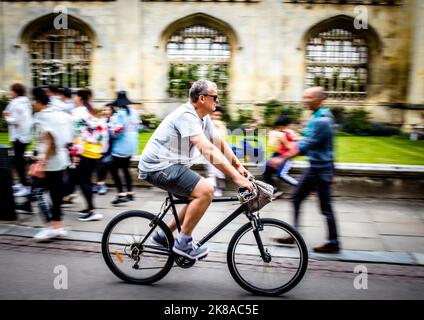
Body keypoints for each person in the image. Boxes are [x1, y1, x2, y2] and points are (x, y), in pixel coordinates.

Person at [138, 79, 253, 260]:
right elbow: (206, 149)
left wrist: (238, 166)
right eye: (215, 97)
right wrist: (235, 177)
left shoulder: (202, 117)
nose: (217, 101)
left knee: (197, 197)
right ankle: (183, 243)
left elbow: (217, 142)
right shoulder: (186, 116)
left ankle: (162, 236)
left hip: (172, 165)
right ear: (201, 98)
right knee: (206, 190)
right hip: (158, 167)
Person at [270, 87, 340, 253]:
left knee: (326, 207)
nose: (305, 100)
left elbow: (306, 146)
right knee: (296, 198)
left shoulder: (322, 120)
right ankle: (294, 235)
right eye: (304, 97)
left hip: (321, 170)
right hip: (315, 168)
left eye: (308, 98)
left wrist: (281, 158)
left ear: (318, 99)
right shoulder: (318, 117)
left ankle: (333, 242)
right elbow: (307, 140)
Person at [30, 87, 74, 241]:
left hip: (49, 162)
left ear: (37, 101)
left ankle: (49, 226)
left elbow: (49, 140)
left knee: (37, 192)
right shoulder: (60, 113)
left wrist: (41, 163)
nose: (32, 104)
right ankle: (58, 226)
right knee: (56, 195)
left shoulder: (41, 116)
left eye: (33, 101)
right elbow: (70, 136)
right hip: (61, 161)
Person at [71, 89, 108, 221]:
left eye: (75, 96)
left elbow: (76, 134)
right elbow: (101, 131)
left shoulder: (77, 112)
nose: (73, 98)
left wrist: (75, 153)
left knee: (83, 181)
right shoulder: (91, 112)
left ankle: (92, 210)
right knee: (85, 180)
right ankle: (89, 207)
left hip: (84, 151)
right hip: (95, 151)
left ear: (80, 98)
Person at [109, 91, 140, 205]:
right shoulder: (134, 112)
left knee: (113, 169)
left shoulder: (119, 114)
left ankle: (121, 193)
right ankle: (130, 193)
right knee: (125, 168)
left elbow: (117, 132)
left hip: (121, 146)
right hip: (131, 146)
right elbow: (137, 128)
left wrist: (112, 133)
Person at [3, 83, 33, 197]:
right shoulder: (25, 102)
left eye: (11, 91)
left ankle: (25, 186)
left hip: (18, 136)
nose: (9, 93)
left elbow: (14, 120)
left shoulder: (16, 104)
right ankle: (22, 183)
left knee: (18, 161)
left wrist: (6, 116)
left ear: (16, 92)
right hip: (24, 135)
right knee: (19, 160)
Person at [263, 115, 300, 195]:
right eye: (279, 126)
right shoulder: (276, 133)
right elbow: (271, 146)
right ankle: (273, 189)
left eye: (282, 126)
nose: (280, 128)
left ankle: (300, 186)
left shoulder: (289, 133)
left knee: (281, 174)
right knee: (265, 168)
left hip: (286, 156)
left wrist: (286, 140)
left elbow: (292, 147)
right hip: (277, 155)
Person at [205, 105, 227, 197]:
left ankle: (214, 181)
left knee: (218, 160)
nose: (217, 117)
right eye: (215, 115)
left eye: (219, 116)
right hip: (207, 149)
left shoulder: (222, 126)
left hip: (219, 150)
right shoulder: (207, 124)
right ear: (211, 115)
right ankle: (214, 181)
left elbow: (223, 140)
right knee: (212, 160)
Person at [93, 103, 116, 196]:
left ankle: (101, 184)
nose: (105, 112)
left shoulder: (115, 121)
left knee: (103, 163)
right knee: (98, 161)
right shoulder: (102, 121)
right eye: (104, 110)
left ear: (112, 111)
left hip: (113, 148)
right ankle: (100, 183)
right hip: (103, 147)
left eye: (108, 110)